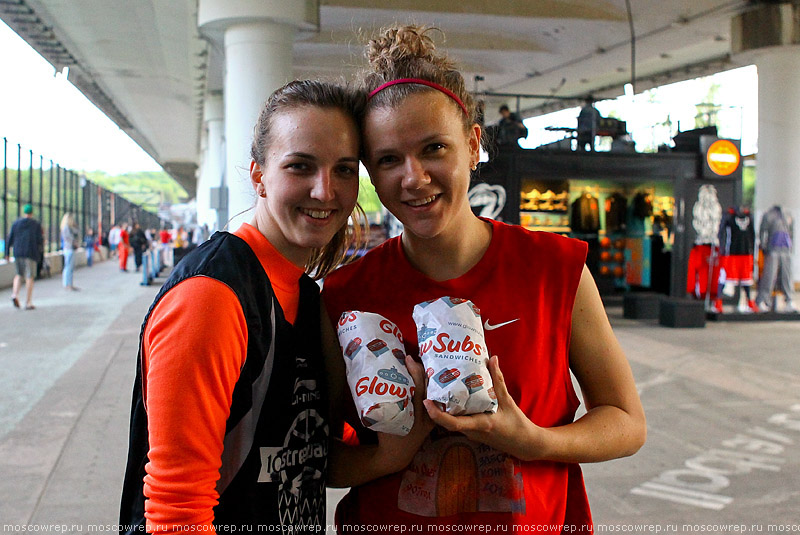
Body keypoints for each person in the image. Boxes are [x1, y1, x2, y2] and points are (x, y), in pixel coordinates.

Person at [321, 25, 646, 533]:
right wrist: (389, 457)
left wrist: (534, 440)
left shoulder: (554, 268)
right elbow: (316, 457)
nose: (413, 177)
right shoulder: (346, 295)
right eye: (388, 159)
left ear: (473, 146)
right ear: (369, 169)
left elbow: (626, 422)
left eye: (434, 149)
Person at [119, 80, 366, 533]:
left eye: (344, 169)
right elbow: (177, 510)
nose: (325, 190)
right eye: (300, 166)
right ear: (258, 175)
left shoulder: (304, 296)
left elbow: (307, 459)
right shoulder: (212, 297)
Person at [5, 204, 44, 310]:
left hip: (17, 252)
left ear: (24, 212)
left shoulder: (16, 223)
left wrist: (7, 253)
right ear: (32, 213)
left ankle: (14, 294)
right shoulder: (35, 224)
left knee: (18, 274)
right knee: (29, 277)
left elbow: (10, 238)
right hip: (30, 253)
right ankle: (28, 302)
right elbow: (40, 240)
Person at [60, 212, 80, 291]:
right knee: (68, 267)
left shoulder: (68, 228)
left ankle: (69, 284)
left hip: (69, 248)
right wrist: (75, 243)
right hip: (69, 248)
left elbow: (76, 232)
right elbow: (70, 238)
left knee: (70, 267)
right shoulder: (66, 228)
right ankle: (67, 284)